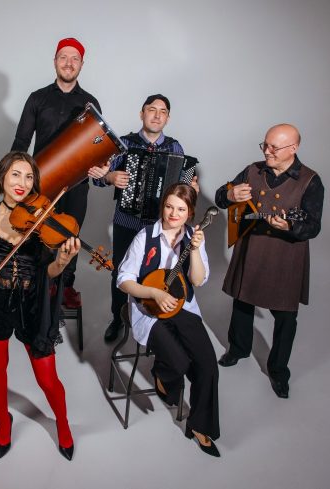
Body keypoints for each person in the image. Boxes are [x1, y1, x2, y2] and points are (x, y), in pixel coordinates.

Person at [0, 151, 80, 460]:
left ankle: (62, 424)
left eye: (29, 177)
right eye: (16, 174)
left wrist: (62, 261)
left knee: (47, 378)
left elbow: (48, 272)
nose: (23, 182)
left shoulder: (42, 217)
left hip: (32, 302)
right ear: (2, 177)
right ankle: (4, 422)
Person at [215, 124, 324, 399]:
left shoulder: (311, 181)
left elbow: (313, 226)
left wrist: (290, 226)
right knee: (242, 303)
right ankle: (238, 349)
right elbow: (220, 197)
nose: (267, 151)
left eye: (274, 147)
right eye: (265, 145)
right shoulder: (252, 170)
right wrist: (229, 195)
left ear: (293, 148)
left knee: (286, 317)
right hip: (250, 248)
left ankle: (278, 370)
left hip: (286, 256)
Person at [117, 183, 220, 457]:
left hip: (183, 306)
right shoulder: (145, 237)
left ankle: (199, 426)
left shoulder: (194, 237)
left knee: (208, 366)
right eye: (169, 206)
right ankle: (162, 375)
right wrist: (154, 293)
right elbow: (124, 279)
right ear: (163, 206)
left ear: (190, 213)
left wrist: (195, 250)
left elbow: (198, 280)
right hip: (148, 309)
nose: (173, 214)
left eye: (181, 209)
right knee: (180, 362)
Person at [93, 94, 199, 343]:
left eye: (163, 111)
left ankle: (156, 318)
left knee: (158, 272)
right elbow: (98, 177)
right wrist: (111, 178)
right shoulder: (124, 143)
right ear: (142, 114)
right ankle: (118, 318)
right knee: (121, 271)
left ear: (168, 118)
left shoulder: (175, 148)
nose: (157, 115)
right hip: (126, 221)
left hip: (160, 226)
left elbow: (183, 188)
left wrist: (191, 188)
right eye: (152, 109)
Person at [11, 37, 100, 309]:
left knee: (70, 236)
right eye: (63, 57)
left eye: (75, 59)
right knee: (38, 238)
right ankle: (39, 285)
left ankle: (66, 287)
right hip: (41, 184)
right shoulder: (37, 98)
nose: (68, 63)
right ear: (55, 61)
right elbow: (21, 143)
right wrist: (13, 178)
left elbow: (98, 144)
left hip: (76, 186)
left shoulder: (90, 103)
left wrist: (102, 166)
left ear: (82, 64)